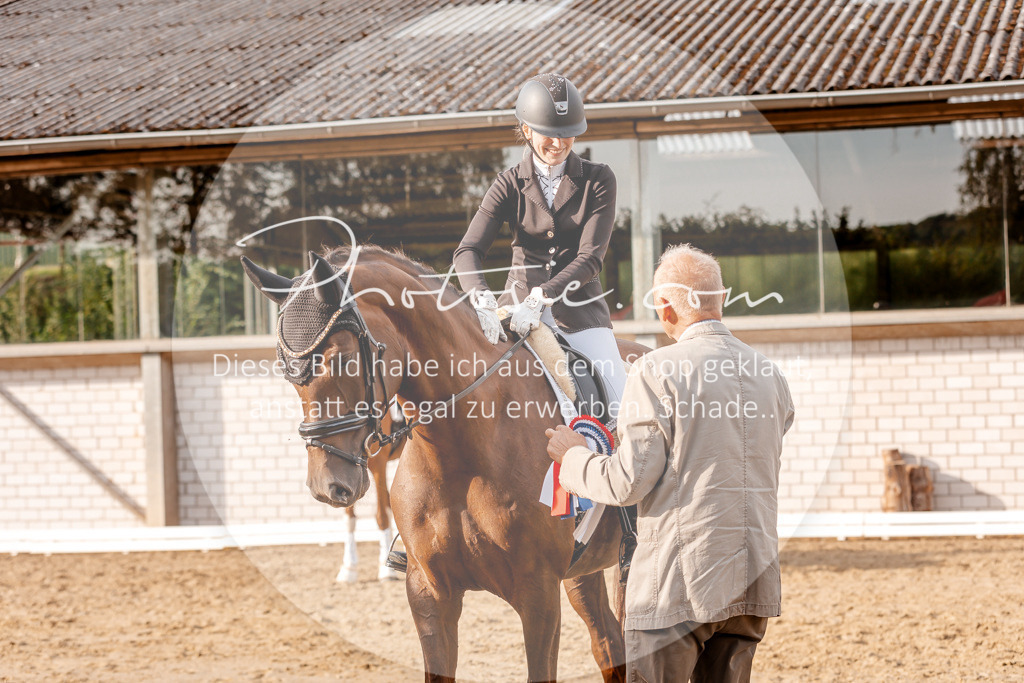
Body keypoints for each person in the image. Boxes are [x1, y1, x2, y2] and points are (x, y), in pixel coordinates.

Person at [545, 244, 795, 683]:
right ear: (721, 299)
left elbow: (629, 482)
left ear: (665, 306)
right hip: (752, 581)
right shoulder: (770, 374)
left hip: (678, 587)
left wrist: (573, 458)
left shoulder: (656, 370)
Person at [453, 72, 626, 408]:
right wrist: (481, 296)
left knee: (619, 406)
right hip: (515, 314)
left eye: (568, 135)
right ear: (528, 130)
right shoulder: (508, 184)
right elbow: (468, 250)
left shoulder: (598, 179)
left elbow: (591, 256)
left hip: (581, 315)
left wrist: (544, 295)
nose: (559, 144)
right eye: (549, 134)